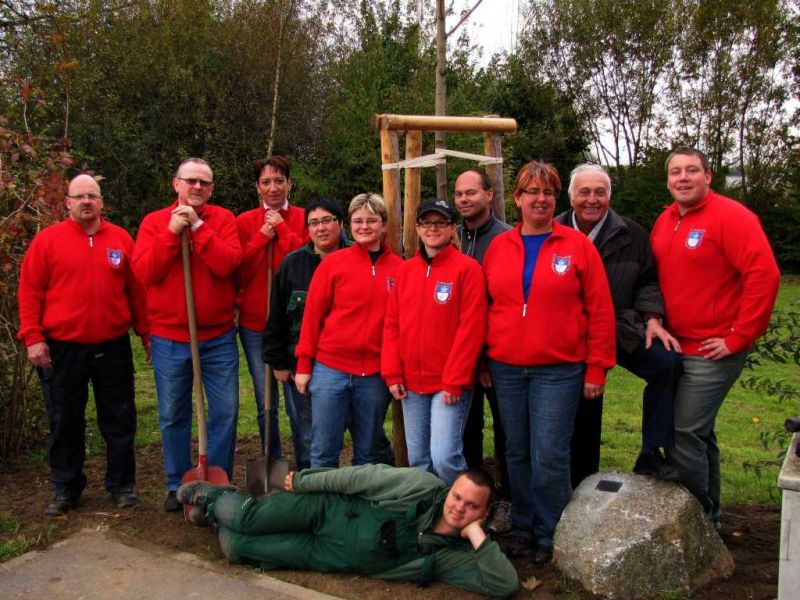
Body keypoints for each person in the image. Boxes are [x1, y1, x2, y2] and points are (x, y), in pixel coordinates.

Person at [482, 160, 616, 562]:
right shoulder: (499, 246)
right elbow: (484, 308)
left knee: (550, 453)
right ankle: (523, 524)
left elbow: (600, 310)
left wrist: (597, 368)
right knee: (516, 452)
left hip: (558, 370)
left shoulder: (577, 246)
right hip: (506, 367)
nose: (540, 199)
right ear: (517, 198)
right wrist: (482, 361)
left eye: (548, 193)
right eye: (532, 192)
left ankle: (550, 530)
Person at [651, 147, 780, 524]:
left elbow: (764, 275)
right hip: (677, 345)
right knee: (700, 433)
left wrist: (739, 336)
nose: (683, 177)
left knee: (684, 429)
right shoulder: (666, 220)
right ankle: (712, 514)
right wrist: (654, 318)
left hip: (713, 349)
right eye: (675, 172)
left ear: (709, 176)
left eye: (692, 170)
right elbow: (657, 279)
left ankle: (696, 517)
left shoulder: (732, 216)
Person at [176, 464, 519, 597]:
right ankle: (219, 496)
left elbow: (505, 585)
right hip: (325, 511)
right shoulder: (424, 487)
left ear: (484, 512)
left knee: (237, 551)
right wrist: (305, 482)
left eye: (470, 506)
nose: (458, 507)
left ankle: (214, 515)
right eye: (457, 496)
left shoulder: (452, 556)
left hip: (327, 556)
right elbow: (362, 477)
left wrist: (476, 535)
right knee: (247, 519)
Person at [18, 173, 149, 516]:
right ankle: (66, 488)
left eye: (92, 195)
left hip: (113, 345)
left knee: (120, 418)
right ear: (68, 203)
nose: (86, 201)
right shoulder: (48, 241)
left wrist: (146, 335)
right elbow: (30, 292)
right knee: (64, 420)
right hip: (63, 348)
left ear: (102, 202)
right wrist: (33, 338)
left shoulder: (120, 239)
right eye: (79, 196)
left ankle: (121, 485)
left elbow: (136, 291)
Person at [557, 163, 682, 486]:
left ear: (609, 197)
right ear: (571, 198)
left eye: (600, 192)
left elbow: (647, 281)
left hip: (620, 327)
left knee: (666, 362)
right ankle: (580, 484)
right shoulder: (555, 231)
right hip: (574, 335)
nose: (592, 199)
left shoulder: (631, 233)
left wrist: (653, 319)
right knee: (587, 403)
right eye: (584, 192)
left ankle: (653, 451)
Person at [132, 158, 242, 512]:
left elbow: (228, 264)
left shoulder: (222, 219)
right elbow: (145, 273)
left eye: (205, 183)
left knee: (225, 409)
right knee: (172, 412)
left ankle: (216, 478)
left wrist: (198, 228)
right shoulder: (153, 223)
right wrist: (171, 234)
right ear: (175, 184)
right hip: (170, 336)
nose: (197, 187)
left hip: (217, 335)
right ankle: (176, 481)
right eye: (191, 181)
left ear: (211, 189)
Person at [382, 199, 487, 485]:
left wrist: (455, 380)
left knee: (444, 456)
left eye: (440, 223)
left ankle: (465, 512)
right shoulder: (406, 271)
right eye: (426, 223)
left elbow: (472, 329)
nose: (432, 228)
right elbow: (392, 324)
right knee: (419, 461)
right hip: (411, 384)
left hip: (448, 383)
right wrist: (392, 372)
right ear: (416, 228)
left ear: (453, 228)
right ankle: (429, 518)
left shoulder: (467, 269)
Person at [294, 193, 402, 467]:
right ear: (349, 225)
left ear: (384, 225)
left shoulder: (400, 269)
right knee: (323, 448)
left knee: (367, 451)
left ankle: (358, 507)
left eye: (371, 220)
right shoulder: (333, 263)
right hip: (332, 369)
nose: (364, 226)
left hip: (374, 375)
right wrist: (304, 364)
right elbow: (312, 316)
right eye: (358, 221)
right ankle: (322, 506)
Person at [262, 197, 348, 470]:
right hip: (305, 364)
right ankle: (311, 484)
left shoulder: (357, 258)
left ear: (340, 223)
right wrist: (278, 361)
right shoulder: (293, 264)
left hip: (350, 363)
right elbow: (277, 316)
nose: (321, 228)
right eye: (314, 223)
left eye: (327, 221)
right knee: (309, 429)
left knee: (359, 429)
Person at [236, 156, 308, 459]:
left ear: (289, 183)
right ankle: (272, 461)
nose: (273, 187)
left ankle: (306, 464)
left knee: (299, 401)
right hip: (256, 325)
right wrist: (260, 238)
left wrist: (281, 230)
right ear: (257, 187)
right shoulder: (244, 222)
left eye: (279, 181)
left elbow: (303, 262)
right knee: (266, 402)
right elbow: (239, 271)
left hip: (295, 326)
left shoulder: (306, 218)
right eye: (266, 182)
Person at [453, 169, 513, 532]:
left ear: (490, 195)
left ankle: (505, 498)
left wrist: (487, 356)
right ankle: (471, 497)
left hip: (498, 355)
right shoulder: (451, 235)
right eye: (459, 193)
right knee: (466, 430)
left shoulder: (506, 240)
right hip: (460, 355)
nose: (464, 199)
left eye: (471, 193)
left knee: (507, 430)